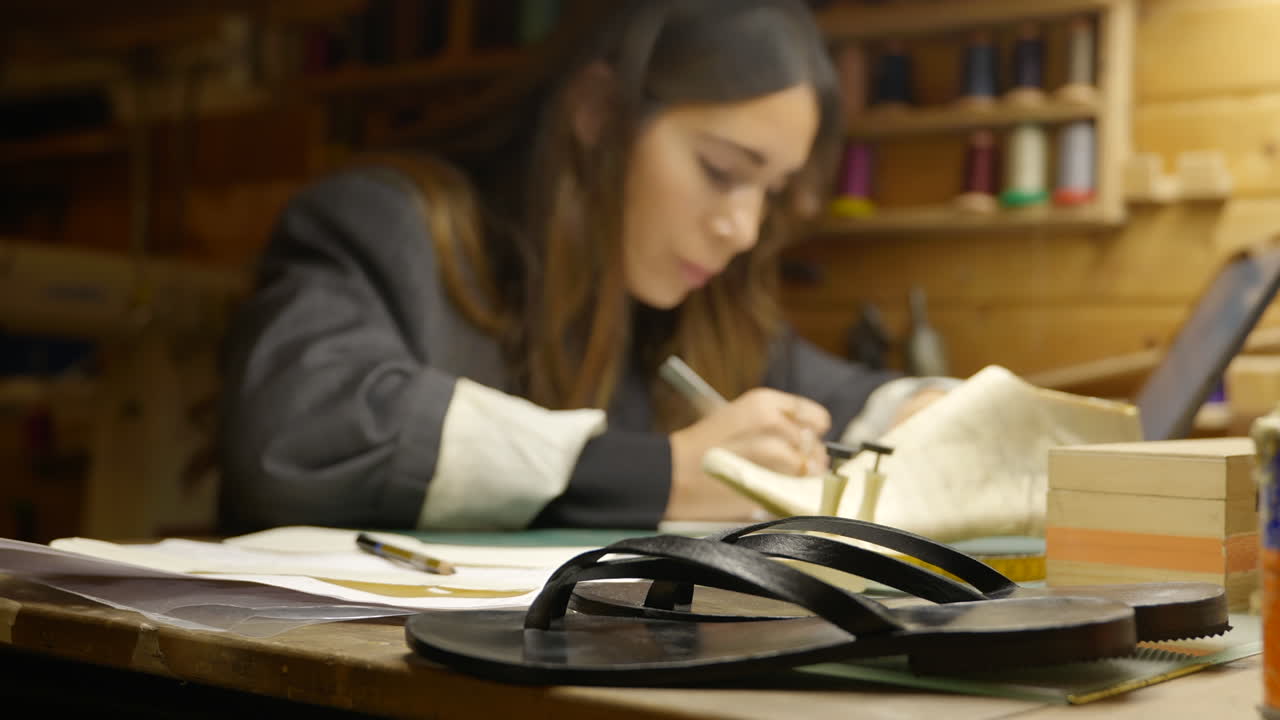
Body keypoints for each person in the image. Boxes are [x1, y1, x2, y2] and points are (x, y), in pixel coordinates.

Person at [217, 0, 947, 533]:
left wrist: (931, 416)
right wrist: (663, 474)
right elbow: (298, 432)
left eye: (772, 193)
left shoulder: (690, 304)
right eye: (722, 170)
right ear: (599, 110)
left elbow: (848, 398)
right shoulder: (388, 227)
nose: (745, 230)